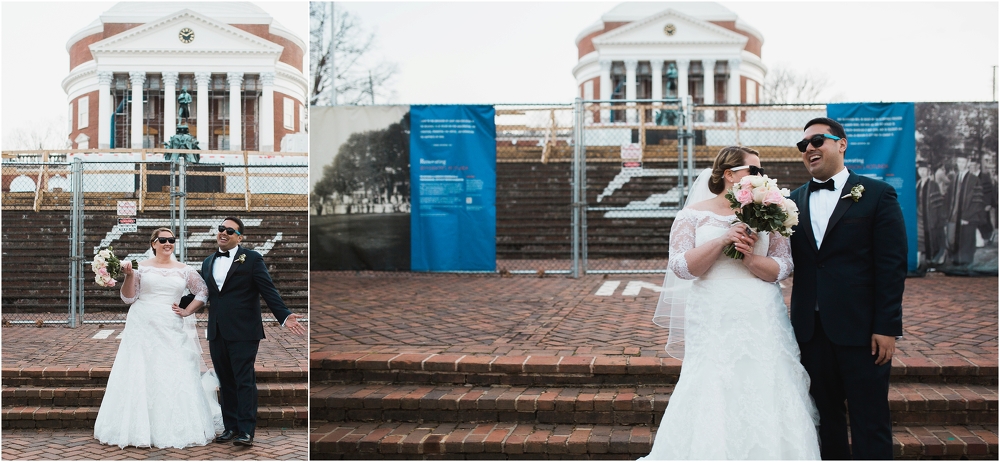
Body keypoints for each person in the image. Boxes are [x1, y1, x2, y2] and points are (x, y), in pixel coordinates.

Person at [643, 146, 820, 460]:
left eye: (761, 171)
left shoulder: (772, 212)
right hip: (713, 312)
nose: (760, 176)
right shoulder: (692, 216)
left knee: (766, 379)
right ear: (729, 174)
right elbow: (683, 267)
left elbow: (784, 266)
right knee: (714, 381)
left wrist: (750, 257)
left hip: (760, 312)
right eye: (753, 170)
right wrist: (723, 240)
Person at [789, 117, 907, 459]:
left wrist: (887, 327)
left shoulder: (877, 194)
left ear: (842, 144)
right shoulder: (791, 202)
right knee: (825, 421)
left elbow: (891, 265)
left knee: (870, 419)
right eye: (803, 145)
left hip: (862, 331)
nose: (809, 148)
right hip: (810, 333)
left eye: (817, 141)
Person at [173, 217, 305, 447]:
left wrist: (284, 315)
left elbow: (268, 290)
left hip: (245, 330)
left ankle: (246, 430)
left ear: (239, 237)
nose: (224, 233)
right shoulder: (207, 262)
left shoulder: (252, 259)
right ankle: (230, 427)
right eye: (221, 229)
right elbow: (202, 293)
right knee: (225, 380)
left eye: (230, 231)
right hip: (217, 331)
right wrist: (168, 302)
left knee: (243, 380)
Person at [94, 228, 223, 449]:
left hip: (170, 324)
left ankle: (176, 426)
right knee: (140, 370)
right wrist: (129, 275)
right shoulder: (140, 267)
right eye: (162, 240)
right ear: (153, 243)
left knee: (173, 368)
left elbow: (202, 291)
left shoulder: (184, 270)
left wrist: (187, 310)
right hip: (142, 324)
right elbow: (128, 297)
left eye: (171, 240)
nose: (167, 243)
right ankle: (137, 428)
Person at [945, 154, 984, 266]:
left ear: (967, 163)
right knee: (953, 240)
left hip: (967, 218)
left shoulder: (974, 180)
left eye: (963, 162)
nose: (961, 165)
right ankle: (957, 264)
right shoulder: (954, 178)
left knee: (966, 243)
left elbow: (977, 201)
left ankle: (965, 268)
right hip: (954, 217)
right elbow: (948, 198)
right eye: (959, 162)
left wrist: (966, 217)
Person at [916, 160, 947, 268]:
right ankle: (921, 262)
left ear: (928, 171)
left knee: (932, 240)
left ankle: (932, 262)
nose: (922, 172)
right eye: (920, 170)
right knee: (921, 240)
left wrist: (936, 219)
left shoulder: (933, 184)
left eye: (924, 170)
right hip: (920, 217)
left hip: (930, 217)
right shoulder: (918, 183)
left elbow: (937, 203)